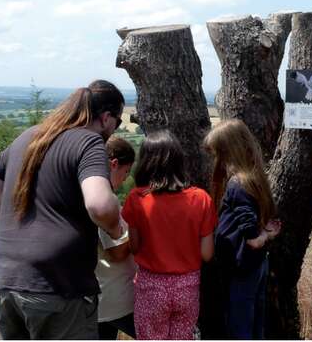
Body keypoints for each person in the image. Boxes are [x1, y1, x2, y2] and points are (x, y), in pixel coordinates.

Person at [0, 79, 125, 340]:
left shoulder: (30, 136)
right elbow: (99, 204)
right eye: (118, 122)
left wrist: (2, 242)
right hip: (59, 285)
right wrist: (115, 227)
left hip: (7, 281)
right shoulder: (89, 142)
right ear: (106, 117)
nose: (115, 129)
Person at [121, 129, 217, 340]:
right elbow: (207, 254)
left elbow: (134, 246)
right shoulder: (201, 199)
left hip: (151, 286)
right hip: (188, 287)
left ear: (145, 161)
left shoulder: (137, 199)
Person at [204, 119, 280, 339]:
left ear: (229, 152)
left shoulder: (237, 184)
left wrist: (264, 234)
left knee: (240, 326)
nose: (216, 159)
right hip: (254, 265)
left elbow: (253, 239)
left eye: (218, 153)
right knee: (255, 324)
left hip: (242, 267)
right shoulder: (254, 179)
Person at [96, 136, 137, 340]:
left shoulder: (90, 193)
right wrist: (141, 229)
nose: (126, 177)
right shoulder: (105, 199)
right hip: (117, 298)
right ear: (114, 164)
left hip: (102, 297)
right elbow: (117, 252)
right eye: (126, 171)